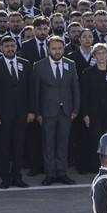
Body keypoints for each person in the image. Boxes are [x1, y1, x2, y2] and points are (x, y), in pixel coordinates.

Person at [0, 34, 35, 189]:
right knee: (4, 147)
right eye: (6, 46)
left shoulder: (25, 64)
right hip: (3, 115)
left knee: (19, 147)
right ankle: (5, 177)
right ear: (1, 48)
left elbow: (31, 90)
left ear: (16, 47)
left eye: (12, 46)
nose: (10, 49)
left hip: (22, 114)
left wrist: (31, 111)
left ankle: (17, 176)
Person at [31, 35, 80, 186]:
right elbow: (36, 91)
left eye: (59, 48)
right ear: (48, 49)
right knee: (48, 144)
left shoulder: (70, 64)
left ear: (63, 49)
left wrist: (75, 109)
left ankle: (62, 173)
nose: (57, 51)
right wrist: (38, 112)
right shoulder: (39, 66)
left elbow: (75, 88)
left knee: (63, 143)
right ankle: (50, 174)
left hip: (66, 111)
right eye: (54, 48)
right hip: (47, 112)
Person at [80, 43, 107, 174]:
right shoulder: (88, 73)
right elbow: (84, 95)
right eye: (98, 53)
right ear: (94, 56)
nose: (101, 56)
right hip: (94, 113)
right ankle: (96, 167)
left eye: (104, 53)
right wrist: (85, 114)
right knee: (95, 141)